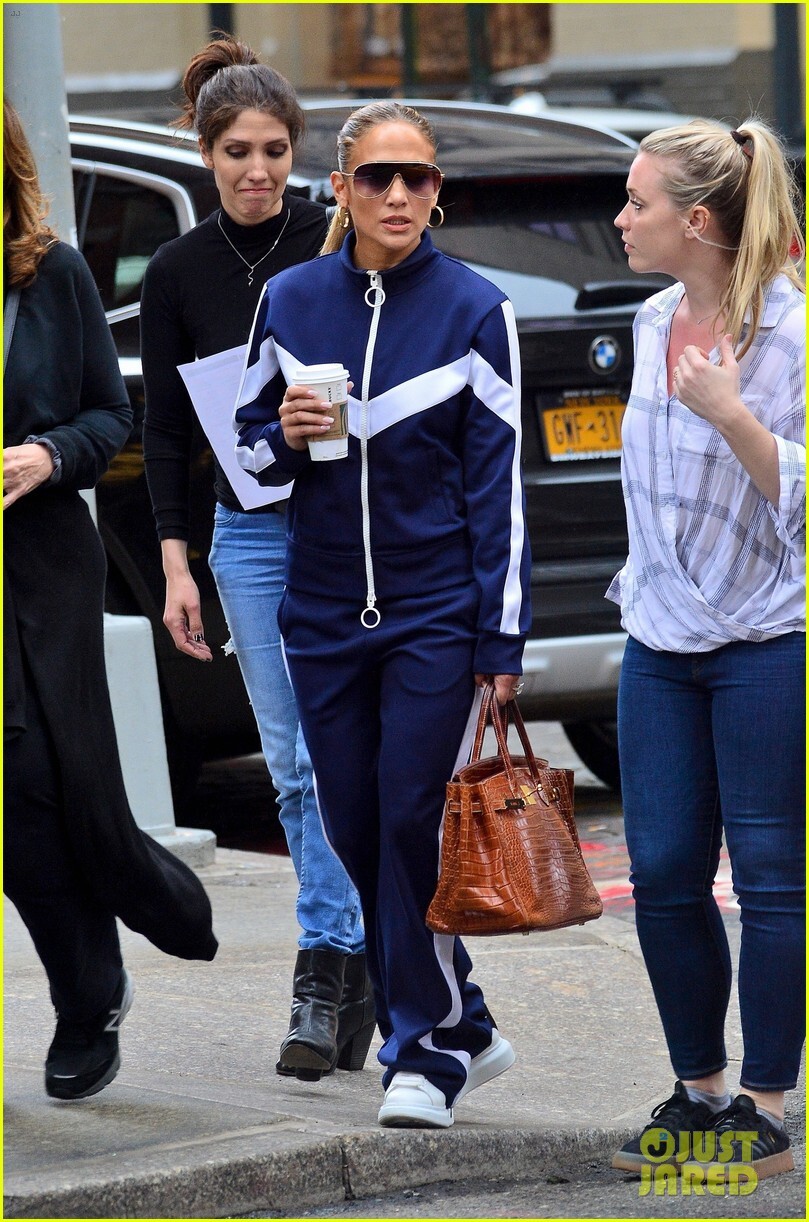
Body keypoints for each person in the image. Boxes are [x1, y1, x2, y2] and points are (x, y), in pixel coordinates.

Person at [234, 100, 531, 1128]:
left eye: (417, 177)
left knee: (410, 818)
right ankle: (464, 1017)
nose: (397, 194)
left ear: (435, 191)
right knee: (353, 825)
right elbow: (249, 458)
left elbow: (500, 494)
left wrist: (501, 637)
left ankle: (425, 1052)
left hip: (434, 613)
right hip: (320, 613)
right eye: (376, 177)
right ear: (342, 188)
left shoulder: (475, 309)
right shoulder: (288, 298)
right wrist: (279, 431)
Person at [140, 36, 371, 1083]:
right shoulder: (178, 272)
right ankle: (334, 969)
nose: (257, 171)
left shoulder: (332, 243)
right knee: (292, 767)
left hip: (343, 530)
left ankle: (346, 963)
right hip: (246, 537)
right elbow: (167, 434)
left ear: (297, 153)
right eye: (236, 151)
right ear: (206, 153)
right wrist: (176, 565)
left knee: (351, 756)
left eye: (275, 151)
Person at [3, 98, 218, 1102]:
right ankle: (108, 944)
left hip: (39, 568)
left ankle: (89, 989)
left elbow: (108, 414)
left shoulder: (50, 274)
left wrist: (47, 454)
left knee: (44, 784)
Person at [608, 118, 805, 1180]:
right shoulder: (648, 320)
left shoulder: (791, 332)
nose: (620, 217)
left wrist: (732, 416)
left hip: (768, 641)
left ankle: (765, 1108)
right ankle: (700, 1092)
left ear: (693, 221)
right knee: (662, 872)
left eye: (635, 202)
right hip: (657, 641)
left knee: (770, 879)